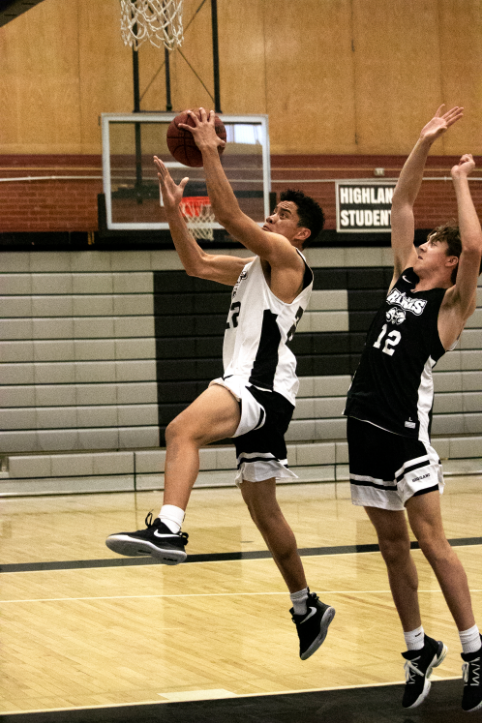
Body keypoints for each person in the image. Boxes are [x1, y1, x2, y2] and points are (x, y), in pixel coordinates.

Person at [106, 108, 335, 660]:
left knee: (180, 430)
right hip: (268, 394)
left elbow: (232, 217)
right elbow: (196, 263)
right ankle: (307, 605)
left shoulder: (288, 258)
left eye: (281, 214)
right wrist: (172, 213)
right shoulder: (253, 267)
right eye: (274, 213)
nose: (272, 219)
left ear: (300, 232)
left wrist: (209, 148)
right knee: (263, 509)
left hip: (256, 387)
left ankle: (169, 529)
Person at [344, 105, 482, 712]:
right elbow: (400, 204)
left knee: (432, 540)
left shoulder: (449, 310)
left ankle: (476, 652)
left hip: (404, 435)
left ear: (447, 263)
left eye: (431, 244)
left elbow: (475, 245)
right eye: (422, 243)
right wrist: (422, 141)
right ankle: (417, 648)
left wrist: (458, 179)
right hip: (362, 428)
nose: (420, 245)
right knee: (393, 548)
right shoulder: (402, 281)